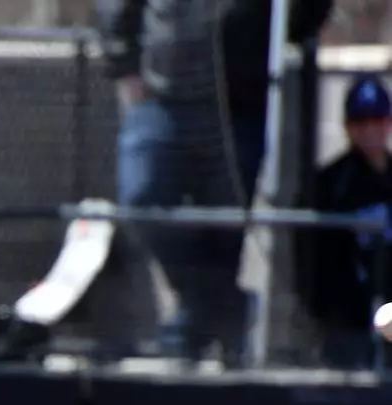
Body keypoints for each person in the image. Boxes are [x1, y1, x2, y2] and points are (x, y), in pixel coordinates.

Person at [95, 0, 333, 365]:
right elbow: (116, 9)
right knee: (142, 199)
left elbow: (305, 19)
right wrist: (123, 62)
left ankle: (200, 335)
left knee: (225, 227)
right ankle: (214, 310)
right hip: (162, 99)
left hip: (239, 108)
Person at [298, 74, 392, 368]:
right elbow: (313, 256)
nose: (369, 131)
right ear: (347, 127)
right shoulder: (331, 183)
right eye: (360, 122)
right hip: (348, 318)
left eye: (377, 120)